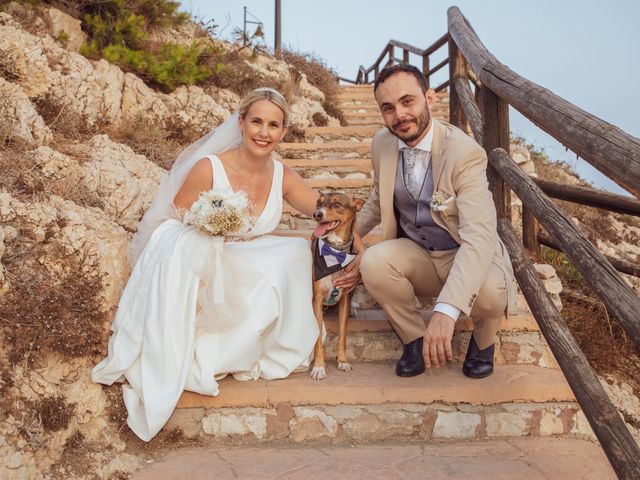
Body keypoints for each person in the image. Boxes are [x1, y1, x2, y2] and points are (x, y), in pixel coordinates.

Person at [92, 88, 320, 442]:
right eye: (256, 121)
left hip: (252, 254)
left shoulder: (283, 175)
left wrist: (359, 232)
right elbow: (174, 220)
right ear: (241, 122)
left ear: (284, 132)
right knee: (260, 258)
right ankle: (213, 351)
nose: (264, 132)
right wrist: (213, 228)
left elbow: (322, 209)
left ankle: (272, 345)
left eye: (273, 125)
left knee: (295, 253)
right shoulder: (209, 167)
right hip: (212, 253)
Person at [335, 64, 516, 379]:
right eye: (388, 108)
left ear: (429, 98)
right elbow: (379, 199)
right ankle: (414, 340)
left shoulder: (465, 154)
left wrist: (445, 311)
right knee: (374, 261)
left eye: (408, 102)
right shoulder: (382, 144)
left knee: (490, 292)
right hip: (418, 253)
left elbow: (478, 238)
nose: (399, 115)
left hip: (463, 251)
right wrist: (340, 236)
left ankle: (484, 341)